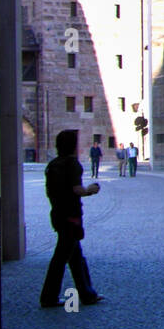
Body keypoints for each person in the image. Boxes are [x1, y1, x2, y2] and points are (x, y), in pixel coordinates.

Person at [39, 129, 104, 308]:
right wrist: (90, 189)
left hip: (58, 214)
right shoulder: (72, 164)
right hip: (71, 216)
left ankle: (87, 294)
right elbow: (77, 189)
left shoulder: (52, 165)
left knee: (75, 257)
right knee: (61, 258)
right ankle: (49, 297)